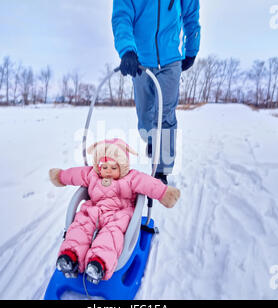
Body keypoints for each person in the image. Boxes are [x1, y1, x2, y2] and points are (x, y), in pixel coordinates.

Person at [49, 138, 181, 284]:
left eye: (113, 168)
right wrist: (60, 176)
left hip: (119, 214)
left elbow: (148, 183)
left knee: (112, 234)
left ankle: (98, 263)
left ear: (122, 166)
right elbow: (75, 174)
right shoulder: (92, 174)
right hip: (94, 209)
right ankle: (70, 256)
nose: (108, 172)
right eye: (104, 167)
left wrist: (163, 193)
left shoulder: (131, 177)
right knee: (80, 224)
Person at [112, 0, 201, 184]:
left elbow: (190, 14)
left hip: (170, 60)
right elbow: (122, 17)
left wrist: (191, 49)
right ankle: (151, 138)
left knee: (166, 115)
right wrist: (127, 50)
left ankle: (162, 170)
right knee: (145, 114)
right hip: (140, 60)